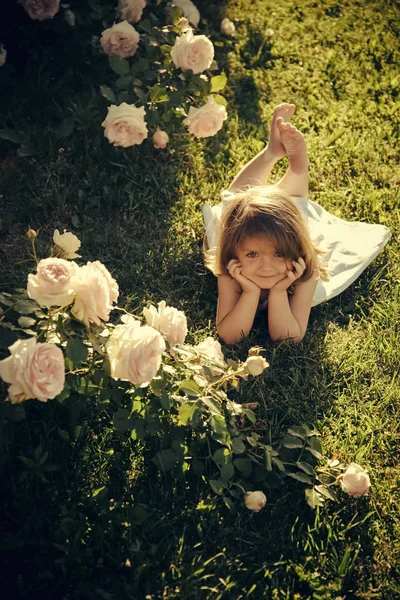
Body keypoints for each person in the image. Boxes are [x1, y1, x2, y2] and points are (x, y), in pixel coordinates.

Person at [203, 103, 391, 345]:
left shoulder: (306, 271)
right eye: (252, 254)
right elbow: (229, 336)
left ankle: (297, 171)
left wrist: (280, 291)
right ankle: (272, 153)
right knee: (235, 203)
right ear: (235, 253)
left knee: (295, 205)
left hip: (290, 227)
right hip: (258, 228)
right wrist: (250, 292)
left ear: (294, 252)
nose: (266, 266)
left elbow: (289, 337)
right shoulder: (232, 269)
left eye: (279, 254)